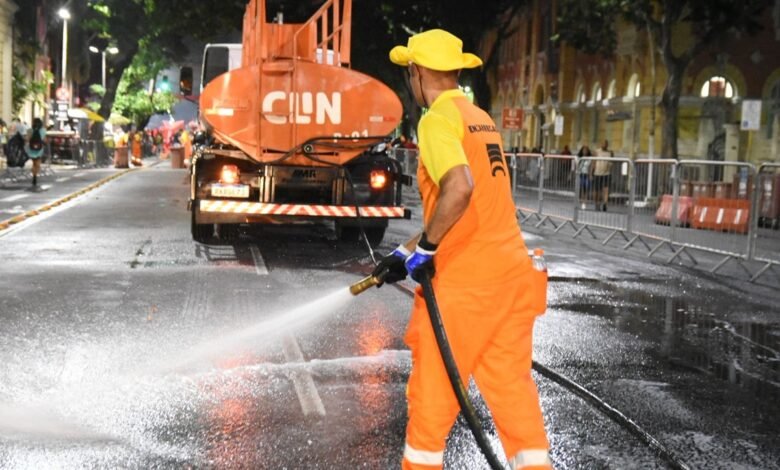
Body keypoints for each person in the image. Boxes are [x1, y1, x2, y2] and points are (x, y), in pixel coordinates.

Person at [373, 29, 550, 470]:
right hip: (511, 278)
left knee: (430, 410)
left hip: (467, 288)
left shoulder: (436, 121)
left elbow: (459, 190)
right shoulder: (479, 117)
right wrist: (404, 253)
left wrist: (427, 249)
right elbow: (473, 211)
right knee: (513, 395)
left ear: (415, 74)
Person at [592, 139, 614, 211]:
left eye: (606, 143)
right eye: (603, 143)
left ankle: (605, 203)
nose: (604, 145)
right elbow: (593, 162)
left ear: (607, 145)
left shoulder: (610, 153)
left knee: (606, 190)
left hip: (606, 174)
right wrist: (591, 172)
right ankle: (597, 203)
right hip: (597, 173)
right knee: (597, 190)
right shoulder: (597, 151)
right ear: (601, 144)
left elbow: (611, 162)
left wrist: (610, 170)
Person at [25, 118, 46, 187]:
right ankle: (35, 175)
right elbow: (44, 140)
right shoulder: (43, 130)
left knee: (34, 163)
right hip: (39, 149)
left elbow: (27, 139)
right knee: (37, 163)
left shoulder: (30, 130)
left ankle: (34, 175)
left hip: (31, 149)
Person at [576, 144, 593, 210]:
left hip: (586, 175)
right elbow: (576, 166)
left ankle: (584, 202)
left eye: (586, 150)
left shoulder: (589, 158)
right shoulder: (579, 157)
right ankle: (580, 201)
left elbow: (591, 167)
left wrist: (590, 175)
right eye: (584, 150)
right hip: (580, 174)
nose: (585, 151)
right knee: (581, 188)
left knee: (586, 188)